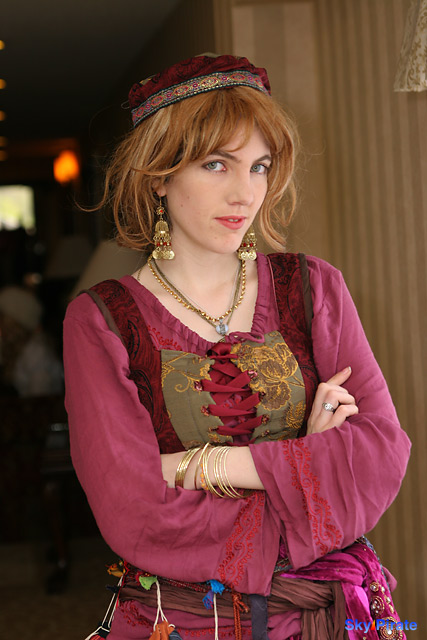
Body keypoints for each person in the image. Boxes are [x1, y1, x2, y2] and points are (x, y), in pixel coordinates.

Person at [63, 54, 411, 640]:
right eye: (216, 164)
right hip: (184, 622)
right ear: (160, 175)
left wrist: (194, 467)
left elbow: (380, 455)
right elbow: (132, 510)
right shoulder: (101, 320)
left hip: (333, 613)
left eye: (259, 166)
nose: (245, 192)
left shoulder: (313, 286)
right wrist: (307, 461)